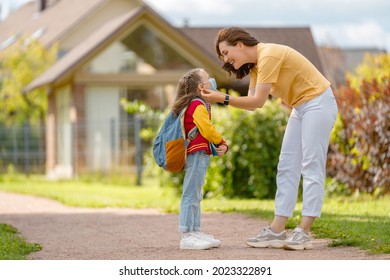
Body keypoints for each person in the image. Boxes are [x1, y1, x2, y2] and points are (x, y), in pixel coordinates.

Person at [201, 27, 338, 250]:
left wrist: (221, 98)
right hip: (300, 107)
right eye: (222, 56)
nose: (226, 59)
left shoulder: (269, 55)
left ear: (240, 44)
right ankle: (276, 231)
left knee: (311, 165)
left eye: (226, 53)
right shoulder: (257, 67)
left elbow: (257, 102)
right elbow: (253, 102)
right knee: (286, 166)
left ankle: (303, 232)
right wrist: (222, 98)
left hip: (318, 102)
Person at [172, 68, 229, 250]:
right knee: (191, 193)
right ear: (201, 86)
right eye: (207, 78)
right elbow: (207, 128)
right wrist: (221, 141)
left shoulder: (197, 103)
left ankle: (195, 231)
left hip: (200, 153)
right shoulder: (197, 104)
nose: (212, 80)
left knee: (196, 192)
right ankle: (187, 235)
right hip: (196, 154)